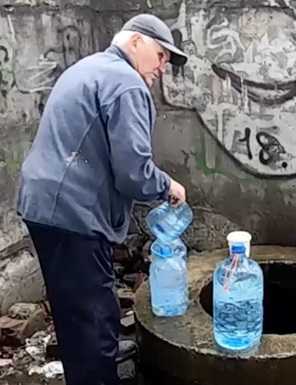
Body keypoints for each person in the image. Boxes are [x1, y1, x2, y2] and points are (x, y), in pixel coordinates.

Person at [16, 14, 188, 385]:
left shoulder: (91, 67)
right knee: (90, 315)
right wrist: (166, 186)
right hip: (69, 213)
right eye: (160, 55)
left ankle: (97, 356)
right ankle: (95, 370)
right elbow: (133, 173)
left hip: (46, 205)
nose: (162, 67)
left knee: (77, 304)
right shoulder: (127, 85)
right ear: (136, 41)